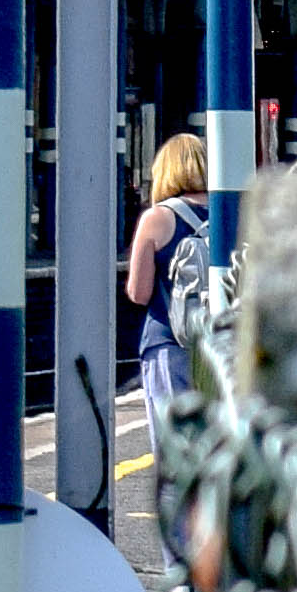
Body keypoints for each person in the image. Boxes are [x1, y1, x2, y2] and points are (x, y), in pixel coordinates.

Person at [125, 133, 216, 414]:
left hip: (169, 343)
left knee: (175, 448)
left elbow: (139, 294)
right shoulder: (228, 213)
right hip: (220, 349)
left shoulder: (157, 219)